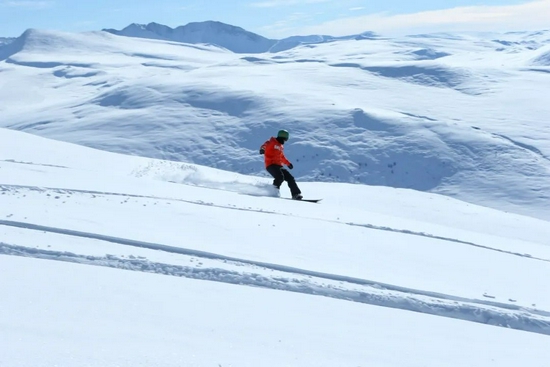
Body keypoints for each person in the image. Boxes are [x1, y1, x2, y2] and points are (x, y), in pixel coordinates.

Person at [260, 129, 303, 200]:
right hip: (270, 165)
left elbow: (282, 156)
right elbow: (265, 145)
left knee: (290, 178)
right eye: (284, 140)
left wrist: (288, 163)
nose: (284, 142)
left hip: (279, 165)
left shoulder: (280, 146)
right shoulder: (271, 142)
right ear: (281, 138)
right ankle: (273, 192)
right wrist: (262, 149)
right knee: (280, 177)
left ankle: (296, 194)